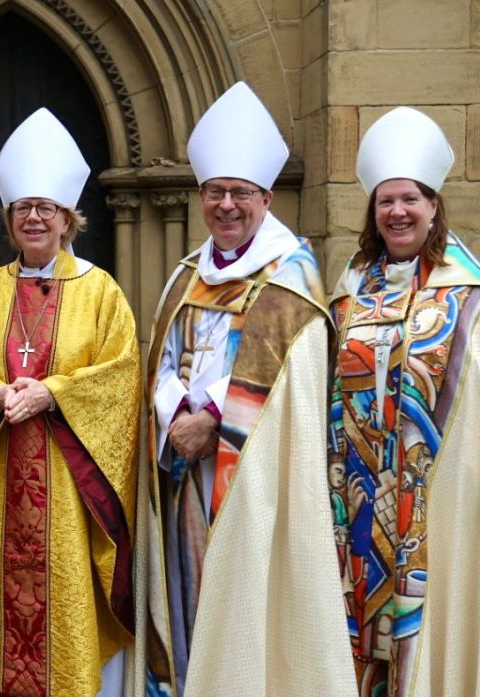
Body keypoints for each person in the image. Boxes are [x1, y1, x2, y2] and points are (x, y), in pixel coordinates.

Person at [328, 106, 480, 696]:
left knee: (430, 636)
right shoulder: (351, 291)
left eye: (410, 199)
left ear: (434, 207)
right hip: (355, 500)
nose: (397, 212)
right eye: (385, 201)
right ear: (373, 213)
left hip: (437, 506)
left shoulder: (473, 298)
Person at [136, 82, 355, 696]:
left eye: (240, 194)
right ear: (201, 197)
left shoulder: (294, 279)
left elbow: (299, 390)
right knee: (187, 601)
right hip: (184, 473)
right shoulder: (185, 275)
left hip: (252, 478)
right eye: (215, 193)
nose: (226, 205)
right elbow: (161, 361)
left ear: (264, 198)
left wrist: (216, 422)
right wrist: (177, 413)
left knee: (246, 599)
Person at [0, 108, 141, 697]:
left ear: (67, 219)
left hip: (66, 485)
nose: (33, 217)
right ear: (9, 219)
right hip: (2, 475)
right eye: (22, 208)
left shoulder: (99, 289)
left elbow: (122, 372)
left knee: (64, 601)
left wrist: (55, 392)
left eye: (45, 208)